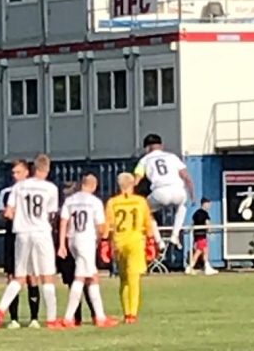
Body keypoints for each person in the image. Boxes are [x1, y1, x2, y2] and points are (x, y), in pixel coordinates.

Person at [0, 153, 60, 329]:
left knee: (19, 277)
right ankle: (51, 319)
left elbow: (9, 212)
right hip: (41, 232)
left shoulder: (19, 187)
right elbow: (51, 214)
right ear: (47, 169)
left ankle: (0, 311)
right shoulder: (50, 188)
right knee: (47, 276)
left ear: (33, 169)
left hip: (21, 233)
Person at [57, 174, 119, 328]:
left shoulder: (70, 200)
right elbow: (100, 226)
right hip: (87, 240)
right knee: (81, 277)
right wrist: (102, 240)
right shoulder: (95, 202)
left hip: (73, 239)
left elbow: (63, 222)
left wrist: (62, 244)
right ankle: (69, 317)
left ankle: (100, 316)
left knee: (92, 276)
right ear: (94, 186)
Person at [106, 172, 156, 324]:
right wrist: (151, 241)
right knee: (134, 278)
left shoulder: (113, 203)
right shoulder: (140, 202)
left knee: (123, 279)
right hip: (135, 241)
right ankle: (132, 314)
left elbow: (108, 225)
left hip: (119, 242)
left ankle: (126, 312)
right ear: (133, 184)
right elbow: (148, 223)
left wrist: (105, 243)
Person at [134, 134, 195, 248]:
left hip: (160, 192)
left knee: (145, 211)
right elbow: (186, 176)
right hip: (178, 190)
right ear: (161, 146)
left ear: (147, 148)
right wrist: (192, 195)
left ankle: (159, 242)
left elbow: (136, 180)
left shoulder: (144, 160)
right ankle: (175, 235)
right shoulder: (173, 157)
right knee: (182, 206)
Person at [0, 160, 31, 328]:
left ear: (26, 172)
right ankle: (14, 319)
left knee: (32, 276)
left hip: (29, 235)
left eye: (18, 172)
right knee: (12, 276)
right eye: (13, 173)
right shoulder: (6, 192)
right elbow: (3, 215)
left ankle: (34, 318)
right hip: (12, 235)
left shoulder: (34, 190)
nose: (15, 176)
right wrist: (8, 213)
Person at [187, 197, 218, 276]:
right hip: (202, 235)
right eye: (208, 204)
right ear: (204, 204)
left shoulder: (195, 213)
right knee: (199, 251)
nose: (209, 206)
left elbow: (192, 223)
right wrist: (211, 232)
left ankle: (207, 267)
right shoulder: (205, 214)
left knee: (205, 251)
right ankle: (190, 267)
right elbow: (208, 223)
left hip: (196, 235)